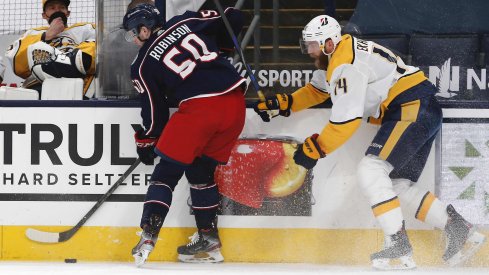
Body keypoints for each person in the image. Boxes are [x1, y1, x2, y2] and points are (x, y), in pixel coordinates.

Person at [254, 15, 486, 270]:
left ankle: (398, 246)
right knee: (395, 184)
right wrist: (286, 103)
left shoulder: (345, 64)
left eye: (312, 45)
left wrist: (316, 149)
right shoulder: (341, 54)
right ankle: (459, 231)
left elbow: (345, 122)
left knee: (370, 169)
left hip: (411, 108)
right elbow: (318, 90)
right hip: (420, 108)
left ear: (329, 44)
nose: (308, 50)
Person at [122, 2, 246, 266]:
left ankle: (147, 236)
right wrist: (222, 49)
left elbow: (155, 111)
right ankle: (209, 241)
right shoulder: (186, 21)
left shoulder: (141, 65)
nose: (133, 39)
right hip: (235, 105)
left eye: (133, 32)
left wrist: (147, 141)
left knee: (165, 175)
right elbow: (233, 16)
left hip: (201, 109)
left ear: (145, 30)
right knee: (200, 172)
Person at [4, 0, 96, 98]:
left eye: (61, 7)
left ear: (68, 13)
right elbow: (17, 63)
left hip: (77, 85)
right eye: (52, 8)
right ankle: (57, 65)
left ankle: (71, 63)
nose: (57, 11)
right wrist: (46, 36)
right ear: (44, 15)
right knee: (37, 49)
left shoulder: (85, 29)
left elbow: (103, 46)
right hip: (39, 86)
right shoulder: (32, 34)